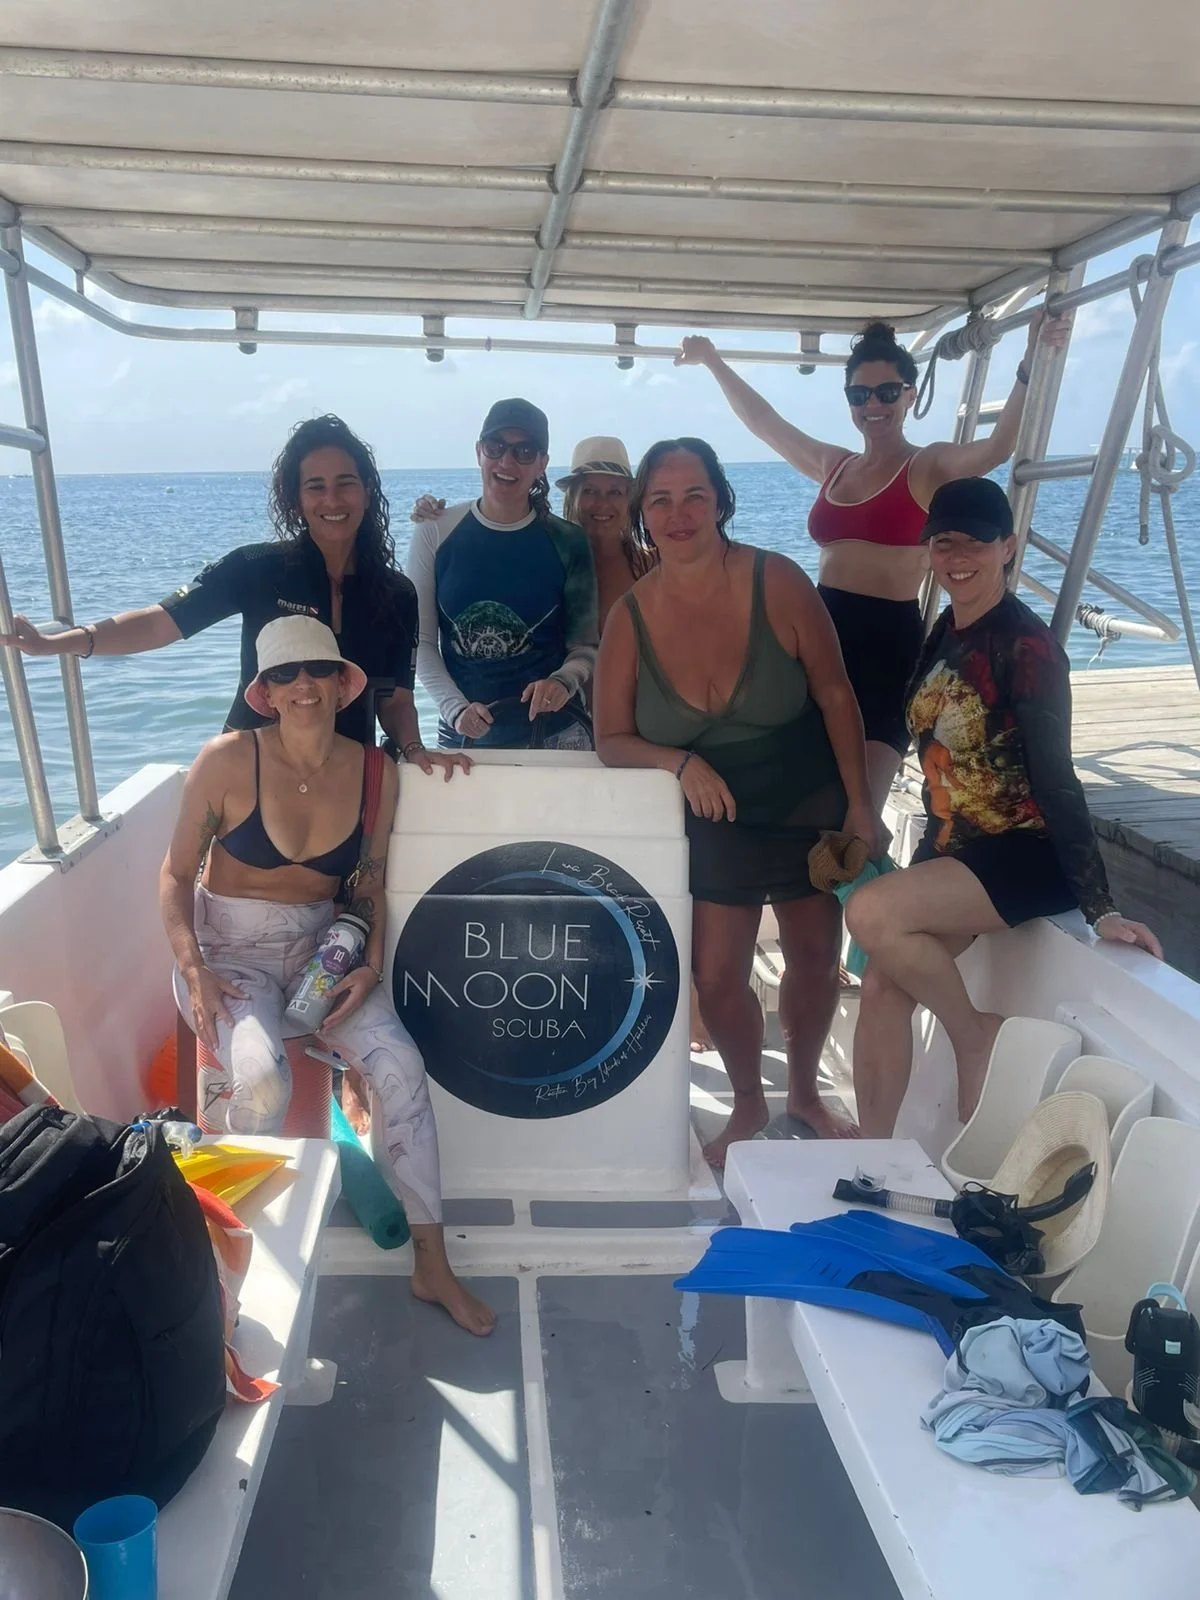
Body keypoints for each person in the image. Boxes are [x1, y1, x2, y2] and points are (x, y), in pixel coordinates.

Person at [161, 616, 494, 1336]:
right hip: (227, 957)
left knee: (403, 1066)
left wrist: (369, 965)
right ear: (266, 693)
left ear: (344, 684)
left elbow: (368, 885)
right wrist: (194, 972)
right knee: (261, 1079)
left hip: (325, 955)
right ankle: (227, 1267)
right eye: (284, 674)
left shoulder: (376, 772)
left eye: (316, 669)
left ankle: (432, 1265)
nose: (302, 684)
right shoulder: (224, 760)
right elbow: (175, 876)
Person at [846, 478, 1162, 1138]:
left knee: (869, 911)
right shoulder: (945, 629)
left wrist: (1100, 905)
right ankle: (869, 1154)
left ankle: (972, 1035)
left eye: (975, 541)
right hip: (954, 846)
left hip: (1023, 853)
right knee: (881, 986)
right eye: (942, 542)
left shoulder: (1029, 648)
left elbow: (1056, 776)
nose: (957, 555)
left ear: (1008, 546)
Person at [594, 438, 878, 1163]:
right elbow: (612, 740)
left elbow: (837, 692)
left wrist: (860, 804)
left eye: (694, 495)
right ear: (641, 516)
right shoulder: (628, 617)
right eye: (660, 499)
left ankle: (807, 1093)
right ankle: (750, 1102)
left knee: (816, 957)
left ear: (720, 499)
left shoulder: (776, 580)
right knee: (718, 976)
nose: (679, 513)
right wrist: (678, 760)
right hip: (715, 811)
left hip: (805, 798)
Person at [675, 313, 1069, 813]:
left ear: (910, 394)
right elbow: (765, 423)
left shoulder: (927, 466)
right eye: (860, 396)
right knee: (800, 793)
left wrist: (1028, 365)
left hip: (885, 648)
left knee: (858, 806)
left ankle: (878, 889)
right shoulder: (835, 465)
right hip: (813, 639)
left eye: (887, 392)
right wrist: (712, 361)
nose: (873, 405)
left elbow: (997, 447)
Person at [0, 415, 464, 776]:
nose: (332, 500)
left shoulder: (396, 593)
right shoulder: (257, 568)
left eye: (345, 483)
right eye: (315, 487)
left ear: (366, 490)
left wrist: (415, 750)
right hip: (252, 768)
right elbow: (160, 622)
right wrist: (56, 643)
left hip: (348, 778)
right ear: (297, 499)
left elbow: (396, 701)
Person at [406, 398, 599, 750]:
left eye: (524, 451)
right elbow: (419, 642)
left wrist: (562, 682)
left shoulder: (570, 542)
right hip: (462, 737)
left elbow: (585, 647)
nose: (507, 461)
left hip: (557, 735)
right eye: (496, 447)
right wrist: (455, 709)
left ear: (542, 464)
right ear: (479, 452)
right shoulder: (434, 530)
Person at [556, 436, 657, 629]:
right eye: (589, 491)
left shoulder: (653, 566)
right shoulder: (551, 565)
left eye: (615, 492)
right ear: (572, 498)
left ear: (630, 501)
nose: (602, 503)